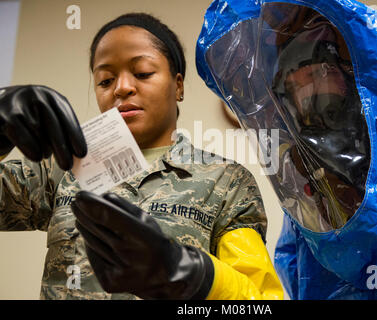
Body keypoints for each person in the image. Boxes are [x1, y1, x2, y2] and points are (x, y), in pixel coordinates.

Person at [0, 12, 283, 300]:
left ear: (179, 85)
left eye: (143, 73)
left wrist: (192, 274)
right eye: (105, 80)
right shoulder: (61, 167)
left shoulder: (226, 182)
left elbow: (259, 302)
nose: (122, 88)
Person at [196, 0, 377, 299]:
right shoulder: (313, 202)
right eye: (290, 81)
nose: (305, 90)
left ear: (355, 67)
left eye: (316, 68)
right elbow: (297, 280)